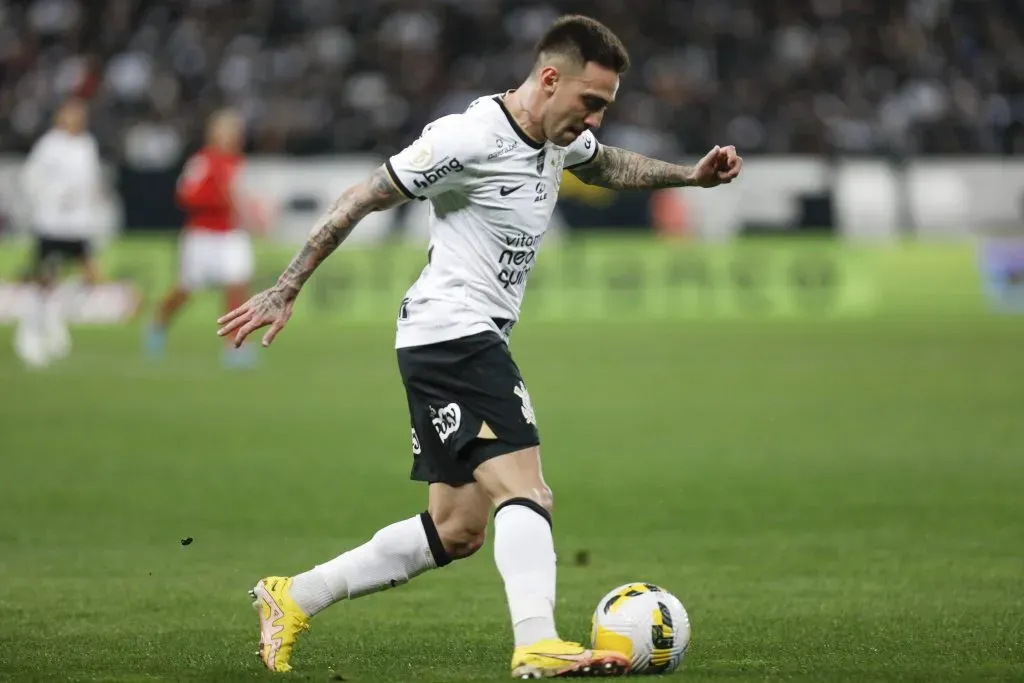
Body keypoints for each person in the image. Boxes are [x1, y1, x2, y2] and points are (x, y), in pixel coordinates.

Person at [217, 14, 742, 678]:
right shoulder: (466, 137)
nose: (595, 121)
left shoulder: (558, 137)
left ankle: (293, 595)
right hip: (452, 333)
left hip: (459, 337)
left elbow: (607, 165)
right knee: (528, 490)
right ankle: (536, 641)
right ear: (550, 79)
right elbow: (363, 196)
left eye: (604, 108)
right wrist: (286, 285)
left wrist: (690, 177)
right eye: (590, 103)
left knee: (457, 526)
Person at [146, 108, 269, 368]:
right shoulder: (203, 161)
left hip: (231, 233)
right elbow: (185, 195)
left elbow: (241, 197)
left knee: (238, 283)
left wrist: (252, 214)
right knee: (186, 289)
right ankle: (159, 321)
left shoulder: (237, 162)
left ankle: (235, 346)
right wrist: (218, 199)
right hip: (202, 234)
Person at [15, 97, 107, 368]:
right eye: (71, 114)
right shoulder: (49, 144)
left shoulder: (87, 144)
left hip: (79, 224)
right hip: (52, 223)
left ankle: (55, 319)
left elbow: (92, 181)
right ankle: (29, 331)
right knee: (44, 279)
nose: (76, 119)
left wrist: (94, 210)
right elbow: (30, 177)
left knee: (91, 277)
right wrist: (50, 196)